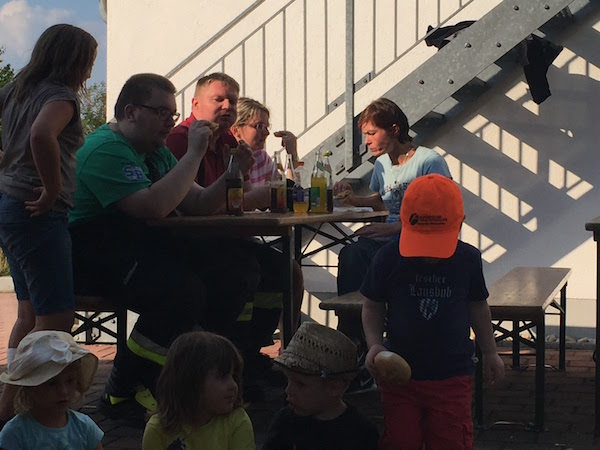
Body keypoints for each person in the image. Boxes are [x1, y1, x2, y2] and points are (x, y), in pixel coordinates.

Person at [68, 73, 260, 414]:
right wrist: (194, 154)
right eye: (161, 113)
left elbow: (199, 203)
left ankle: (205, 372)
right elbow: (152, 206)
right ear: (131, 112)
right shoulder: (106, 148)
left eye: (172, 115)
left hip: (133, 246)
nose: (169, 122)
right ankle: (123, 390)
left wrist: (235, 171)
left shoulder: (155, 152)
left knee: (236, 270)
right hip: (88, 253)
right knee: (180, 293)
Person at [166, 73, 304, 399]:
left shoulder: (228, 142)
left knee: (282, 270)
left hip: (221, 237)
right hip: (183, 242)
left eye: (232, 99)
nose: (227, 105)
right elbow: (196, 206)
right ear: (195, 104)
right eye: (219, 99)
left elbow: (241, 197)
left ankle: (251, 357)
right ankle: (227, 365)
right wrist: (254, 196)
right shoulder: (180, 139)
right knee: (243, 272)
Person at [361, 174, 505, 450]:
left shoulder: (467, 259)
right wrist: (374, 344)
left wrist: (490, 351)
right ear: (404, 223)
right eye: (421, 243)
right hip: (399, 374)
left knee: (451, 441)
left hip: (452, 374)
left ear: (459, 225)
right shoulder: (388, 258)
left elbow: (477, 306)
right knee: (401, 441)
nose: (428, 255)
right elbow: (372, 304)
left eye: (436, 244)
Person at [0, 24, 97, 423]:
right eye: (89, 62)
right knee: (55, 319)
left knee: (29, 315)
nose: (90, 72)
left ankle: (10, 407)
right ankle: (26, 410)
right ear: (75, 61)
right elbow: (43, 134)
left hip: (10, 206)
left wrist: (6, 167)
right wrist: (52, 188)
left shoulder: (15, 90)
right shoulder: (61, 97)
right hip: (39, 212)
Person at [333, 97, 452, 297]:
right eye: (365, 135)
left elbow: (443, 213)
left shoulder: (429, 161)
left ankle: (372, 310)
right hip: (388, 239)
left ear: (394, 130)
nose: (367, 141)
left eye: (372, 133)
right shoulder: (382, 163)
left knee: (379, 258)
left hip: (420, 241)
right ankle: (351, 313)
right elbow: (384, 200)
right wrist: (355, 200)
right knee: (351, 254)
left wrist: (395, 227)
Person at [262, 321, 379, 450]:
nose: (288, 390)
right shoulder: (286, 421)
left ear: (335, 387)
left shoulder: (360, 433)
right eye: (288, 380)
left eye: (300, 384)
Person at [142, 331, 254, 450]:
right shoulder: (157, 429)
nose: (233, 385)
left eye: (234, 376)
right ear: (189, 380)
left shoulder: (237, 421)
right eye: (222, 376)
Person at [0, 330, 104, 449]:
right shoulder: (16, 433)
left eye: (70, 381)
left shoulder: (84, 427)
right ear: (30, 388)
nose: (63, 391)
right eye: (52, 384)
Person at [230, 97, 298, 190]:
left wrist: (292, 154)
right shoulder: (228, 161)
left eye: (267, 127)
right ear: (236, 130)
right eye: (259, 126)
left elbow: (283, 188)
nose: (267, 133)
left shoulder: (260, 157)